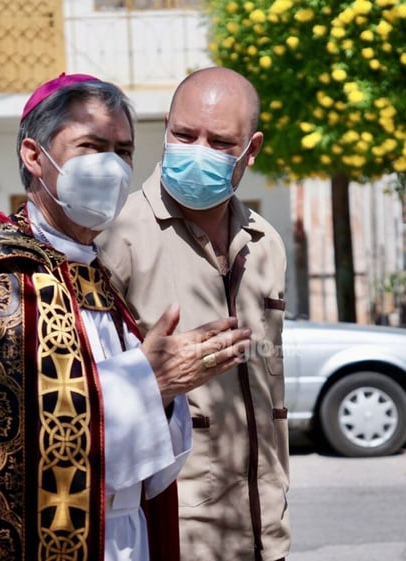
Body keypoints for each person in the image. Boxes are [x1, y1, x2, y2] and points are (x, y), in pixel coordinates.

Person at [0, 73, 251, 561]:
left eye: (123, 151)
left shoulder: (93, 274)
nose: (111, 166)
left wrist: (164, 392)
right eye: (91, 145)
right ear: (33, 156)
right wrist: (146, 383)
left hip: (126, 533)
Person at [97, 67, 290, 561]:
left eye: (220, 141)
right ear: (165, 128)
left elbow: (270, 391)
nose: (197, 151)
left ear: (252, 149)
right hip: (172, 537)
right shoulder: (114, 237)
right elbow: (83, 393)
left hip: (264, 532)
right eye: (184, 135)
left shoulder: (266, 244)